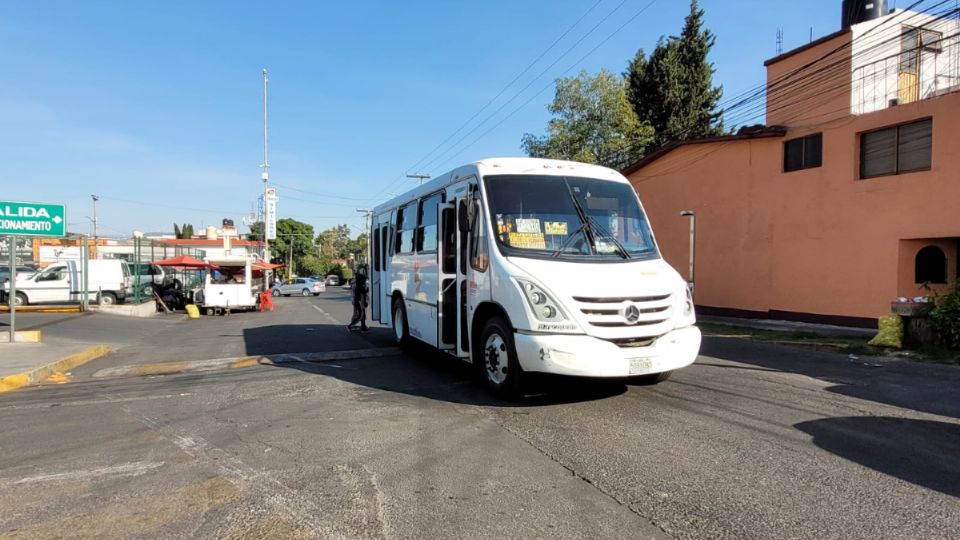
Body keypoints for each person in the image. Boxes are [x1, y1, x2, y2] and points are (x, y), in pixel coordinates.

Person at [346, 267, 369, 332]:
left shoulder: (358, 286)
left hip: (357, 302)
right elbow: (362, 297)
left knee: (362, 315)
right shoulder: (361, 288)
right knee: (360, 316)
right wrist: (363, 304)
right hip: (360, 303)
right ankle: (350, 326)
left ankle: (363, 327)